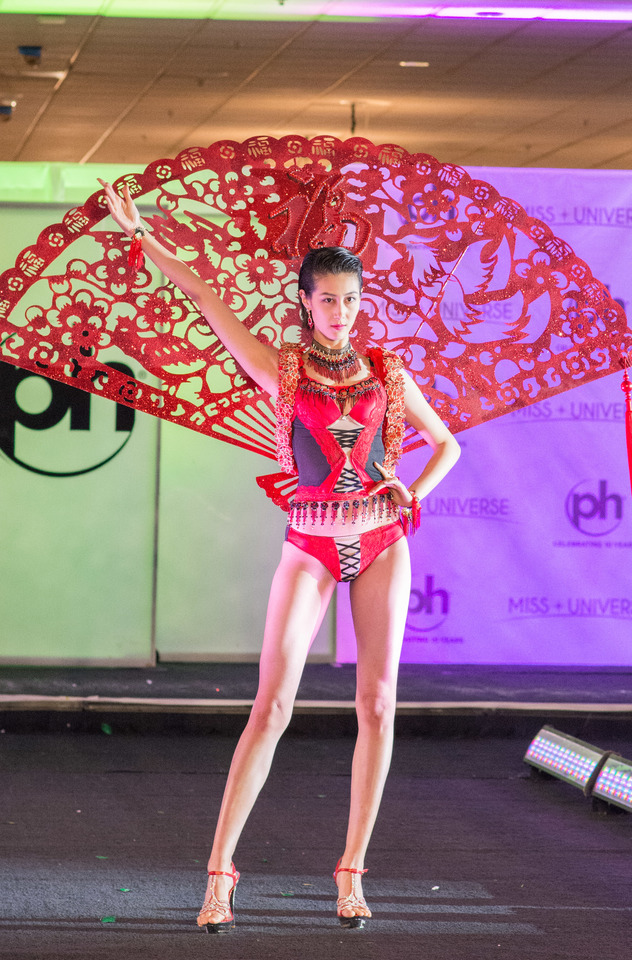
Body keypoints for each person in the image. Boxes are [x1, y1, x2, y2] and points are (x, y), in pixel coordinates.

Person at [100, 180, 461, 932]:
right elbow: (205, 297)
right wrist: (142, 235)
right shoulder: (283, 368)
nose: (341, 312)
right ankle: (220, 875)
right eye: (327, 300)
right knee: (271, 706)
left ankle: (352, 872)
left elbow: (451, 444)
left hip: (383, 539)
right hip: (311, 542)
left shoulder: (389, 374)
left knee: (379, 704)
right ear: (304, 302)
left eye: (351, 300)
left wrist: (411, 491)